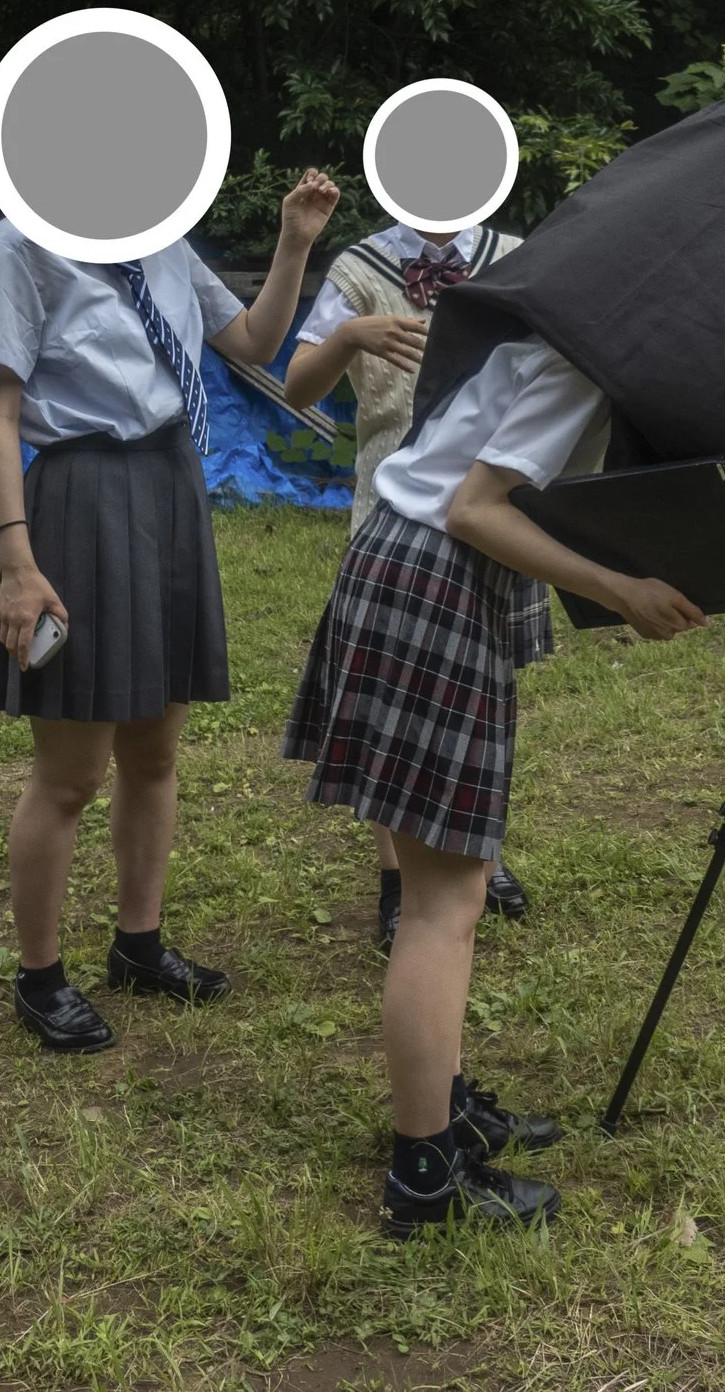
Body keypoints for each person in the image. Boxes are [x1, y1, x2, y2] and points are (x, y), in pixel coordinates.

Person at [284, 96, 725, 1236]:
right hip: (432, 577)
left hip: (402, 568)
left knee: (441, 889)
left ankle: (443, 1105)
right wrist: (620, 589)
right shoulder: (579, 365)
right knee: (442, 902)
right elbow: (475, 508)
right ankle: (423, 1176)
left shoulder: (554, 330)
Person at [0, 168, 341, 1052]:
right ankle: (40, 977)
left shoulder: (161, 243)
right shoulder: (14, 250)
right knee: (70, 773)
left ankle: (138, 944)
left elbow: (251, 341)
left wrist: (293, 244)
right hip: (81, 495)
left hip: (171, 488)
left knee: (155, 749)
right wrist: (17, 561)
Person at [282, 219, 535, 951]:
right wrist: (348, 337)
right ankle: (399, 878)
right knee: (394, 702)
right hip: (395, 511)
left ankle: (478, 853)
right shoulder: (361, 267)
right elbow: (298, 385)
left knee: (484, 689)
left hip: (496, 512)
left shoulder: (513, 257)